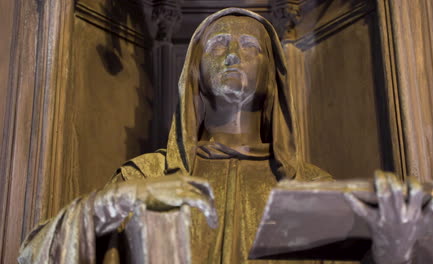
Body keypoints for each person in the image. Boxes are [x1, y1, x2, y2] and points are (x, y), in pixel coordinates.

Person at [18, 8, 332, 264]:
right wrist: (111, 205)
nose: (233, 55)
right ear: (197, 72)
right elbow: (35, 254)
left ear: (271, 74)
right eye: (218, 45)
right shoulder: (145, 178)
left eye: (250, 46)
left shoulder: (312, 190)